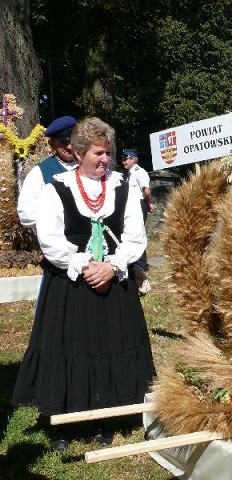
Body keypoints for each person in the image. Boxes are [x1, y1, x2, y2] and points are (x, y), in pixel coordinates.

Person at [12, 117, 155, 451]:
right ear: (78, 153)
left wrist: (113, 266)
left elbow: (135, 238)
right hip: (70, 282)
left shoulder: (123, 186)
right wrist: (83, 265)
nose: (105, 160)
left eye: (107, 153)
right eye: (97, 153)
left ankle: (105, 416)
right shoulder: (55, 187)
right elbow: (50, 239)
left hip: (112, 281)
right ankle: (63, 421)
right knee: (70, 346)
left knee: (107, 344)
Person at [17, 115, 78, 228]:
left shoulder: (89, 165)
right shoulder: (39, 173)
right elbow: (26, 215)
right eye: (63, 142)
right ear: (52, 145)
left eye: (72, 141)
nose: (69, 146)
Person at [122, 148, 155, 295]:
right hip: (131, 207)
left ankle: (140, 265)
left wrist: (148, 204)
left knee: (138, 233)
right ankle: (138, 262)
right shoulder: (129, 174)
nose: (123, 161)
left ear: (133, 159)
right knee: (132, 232)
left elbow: (146, 191)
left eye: (125, 158)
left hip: (139, 205)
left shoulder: (140, 172)